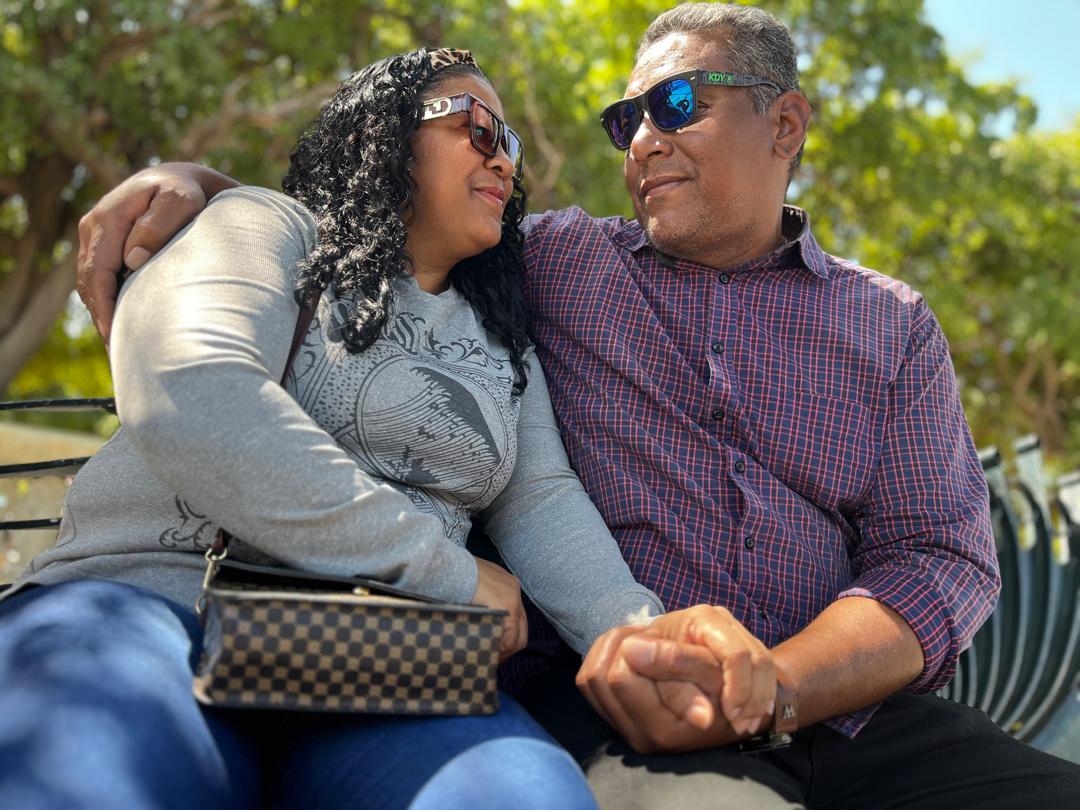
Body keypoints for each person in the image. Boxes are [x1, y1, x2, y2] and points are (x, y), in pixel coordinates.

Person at [72, 3, 1080, 809]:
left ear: (786, 123)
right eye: (624, 120)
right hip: (628, 717)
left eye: (676, 101)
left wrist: (773, 679)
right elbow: (363, 224)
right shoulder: (556, 259)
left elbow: (937, 558)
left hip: (859, 718)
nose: (642, 139)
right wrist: (199, 188)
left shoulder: (892, 325)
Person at [0, 46, 673, 810]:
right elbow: (193, 390)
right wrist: (444, 571)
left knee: (523, 799)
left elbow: (541, 501)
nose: (503, 161)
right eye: (479, 126)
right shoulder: (266, 226)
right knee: (87, 776)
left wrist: (641, 641)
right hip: (150, 608)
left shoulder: (504, 337)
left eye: (511, 144)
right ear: (386, 135)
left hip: (380, 665)